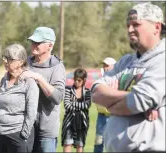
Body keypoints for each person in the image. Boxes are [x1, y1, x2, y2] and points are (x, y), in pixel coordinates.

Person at [91, 2, 165, 152]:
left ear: (156, 27)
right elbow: (95, 92)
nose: (130, 30)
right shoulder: (126, 62)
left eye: (136, 24)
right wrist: (128, 101)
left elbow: (139, 100)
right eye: (128, 25)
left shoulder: (162, 59)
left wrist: (110, 105)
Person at [20, 26, 66, 152]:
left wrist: (38, 78)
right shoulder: (25, 63)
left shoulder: (57, 67)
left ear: (50, 46)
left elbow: (58, 97)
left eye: (38, 42)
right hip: (25, 129)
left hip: (46, 133)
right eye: (33, 42)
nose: (33, 45)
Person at [0, 44, 39, 153]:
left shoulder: (29, 83)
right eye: (4, 58)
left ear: (21, 62)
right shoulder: (4, 80)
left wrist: (23, 135)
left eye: (10, 59)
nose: (6, 61)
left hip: (17, 136)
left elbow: (31, 113)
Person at [61, 68, 91, 153]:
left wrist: (73, 103)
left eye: (79, 80)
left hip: (82, 122)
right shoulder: (68, 90)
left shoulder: (87, 92)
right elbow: (67, 105)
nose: (76, 82)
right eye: (75, 79)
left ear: (84, 80)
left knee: (80, 145)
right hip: (69, 121)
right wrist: (80, 106)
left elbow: (87, 105)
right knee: (67, 143)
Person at [93, 57, 116, 153]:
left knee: (112, 144)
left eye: (107, 65)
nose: (104, 67)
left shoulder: (118, 79)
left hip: (113, 117)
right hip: (101, 117)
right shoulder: (100, 80)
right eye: (104, 65)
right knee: (98, 143)